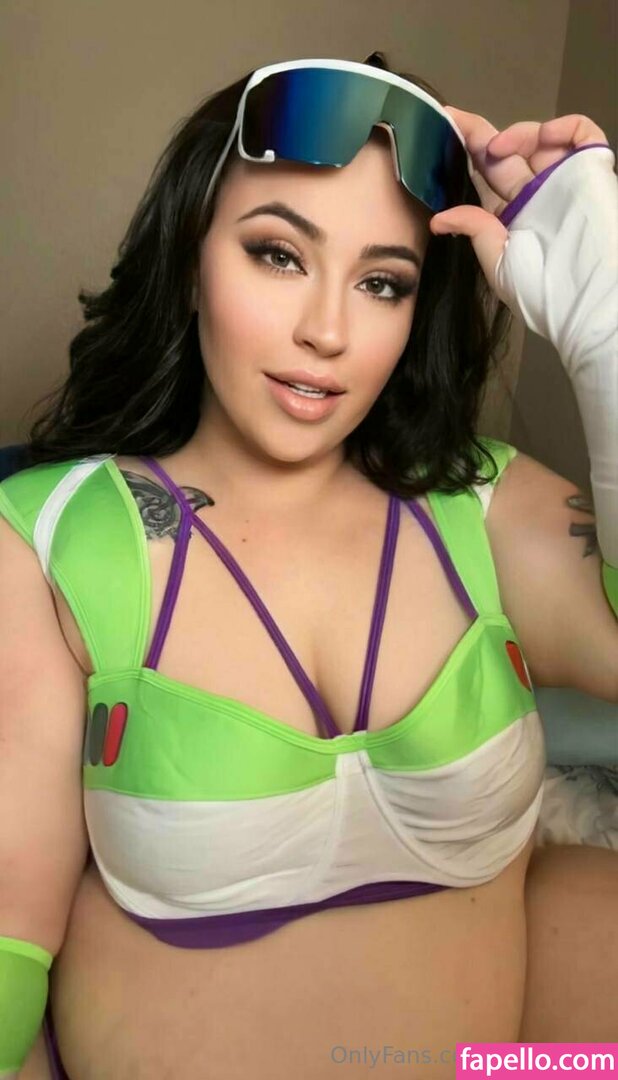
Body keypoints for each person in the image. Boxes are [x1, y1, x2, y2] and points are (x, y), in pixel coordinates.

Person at [0, 51, 616, 1079]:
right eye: (279, 254)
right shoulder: (49, 534)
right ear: (190, 258)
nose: (328, 331)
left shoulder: (480, 501)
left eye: (382, 282)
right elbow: (10, 929)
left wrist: (610, 327)